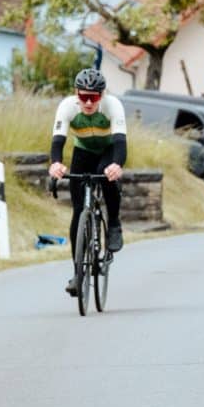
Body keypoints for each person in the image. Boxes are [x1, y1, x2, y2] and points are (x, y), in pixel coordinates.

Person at [48, 67, 128, 298]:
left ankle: (113, 222)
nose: (89, 102)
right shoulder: (67, 107)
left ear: (102, 95)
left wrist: (117, 165)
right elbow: (58, 142)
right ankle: (77, 274)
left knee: (107, 175)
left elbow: (121, 142)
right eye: (83, 97)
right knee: (77, 212)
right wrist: (55, 164)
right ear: (76, 94)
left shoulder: (113, 106)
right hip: (82, 152)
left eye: (93, 97)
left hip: (107, 150)